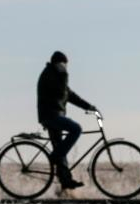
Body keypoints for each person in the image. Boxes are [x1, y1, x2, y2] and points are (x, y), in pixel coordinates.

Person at [37, 51, 97, 189]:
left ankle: (66, 182)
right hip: (51, 116)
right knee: (76, 129)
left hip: (54, 116)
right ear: (59, 63)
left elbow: (70, 95)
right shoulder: (52, 74)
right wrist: (64, 73)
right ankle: (55, 157)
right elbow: (60, 91)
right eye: (65, 65)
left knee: (61, 148)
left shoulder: (56, 77)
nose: (66, 68)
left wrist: (89, 107)